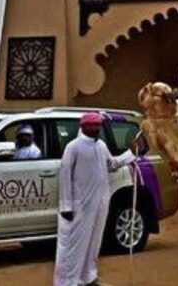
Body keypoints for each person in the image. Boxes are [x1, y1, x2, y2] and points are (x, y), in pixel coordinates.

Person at [54, 112, 135, 286]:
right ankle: (67, 282)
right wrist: (66, 205)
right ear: (83, 127)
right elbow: (65, 175)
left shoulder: (101, 146)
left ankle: (88, 277)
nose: (96, 128)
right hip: (78, 206)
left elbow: (111, 165)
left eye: (98, 125)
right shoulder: (73, 147)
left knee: (93, 242)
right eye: (93, 125)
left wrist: (131, 154)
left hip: (99, 203)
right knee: (73, 245)